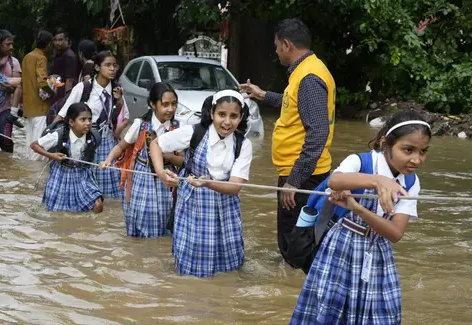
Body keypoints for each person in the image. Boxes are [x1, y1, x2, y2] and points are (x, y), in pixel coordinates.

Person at [288, 110, 431, 325]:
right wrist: (379, 181)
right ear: (386, 145)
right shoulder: (361, 162)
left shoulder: (411, 182)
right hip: (341, 246)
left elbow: (395, 233)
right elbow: (335, 180)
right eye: (408, 149)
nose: (416, 159)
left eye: (423, 152)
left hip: (377, 253)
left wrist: (357, 206)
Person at [239, 18, 336, 267]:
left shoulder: (309, 78)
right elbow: (294, 103)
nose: (275, 51)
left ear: (286, 44)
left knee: (296, 248)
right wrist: (263, 95)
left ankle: (293, 297)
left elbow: (317, 134)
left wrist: (294, 181)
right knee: (298, 243)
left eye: (276, 46)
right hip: (302, 172)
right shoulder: (308, 72)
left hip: (303, 176)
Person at [149, 90, 253, 277]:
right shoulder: (194, 132)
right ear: (212, 113)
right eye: (222, 114)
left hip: (226, 205)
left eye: (234, 116)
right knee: (192, 262)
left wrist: (207, 184)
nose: (227, 122)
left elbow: (235, 186)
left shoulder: (243, 144)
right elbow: (156, 144)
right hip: (193, 203)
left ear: (241, 117)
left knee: (228, 264)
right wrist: (160, 172)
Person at [100, 82, 182, 238]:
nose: (170, 109)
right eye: (165, 104)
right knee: (143, 217)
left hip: (168, 178)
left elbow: (183, 160)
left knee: (167, 217)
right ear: (152, 104)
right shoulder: (140, 126)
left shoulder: (178, 128)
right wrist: (108, 160)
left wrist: (169, 157)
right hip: (142, 177)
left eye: (174, 104)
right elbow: (121, 147)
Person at [52, 50, 129, 199]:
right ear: (97, 68)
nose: (112, 69)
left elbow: (126, 117)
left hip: (107, 142)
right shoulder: (84, 88)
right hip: (85, 140)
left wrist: (118, 127)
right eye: (108, 65)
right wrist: (51, 131)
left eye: (115, 65)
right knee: (81, 181)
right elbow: (64, 113)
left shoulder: (116, 90)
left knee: (108, 184)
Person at [30, 102, 104, 213]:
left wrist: (102, 163)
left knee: (97, 203)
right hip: (61, 174)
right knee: (57, 211)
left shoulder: (94, 137)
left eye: (89, 119)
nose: (88, 123)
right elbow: (34, 145)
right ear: (71, 122)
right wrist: (51, 155)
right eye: (83, 119)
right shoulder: (59, 135)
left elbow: (94, 156)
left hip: (83, 175)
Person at [22, 30, 54, 160]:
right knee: (39, 143)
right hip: (40, 107)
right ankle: (35, 174)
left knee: (29, 141)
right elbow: (42, 82)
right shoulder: (41, 58)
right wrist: (53, 92)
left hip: (28, 106)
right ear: (49, 44)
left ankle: (30, 170)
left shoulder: (27, 57)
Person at [50, 28, 78, 103]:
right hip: (56, 92)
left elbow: (70, 80)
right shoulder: (57, 55)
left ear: (66, 40)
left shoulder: (69, 56)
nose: (57, 43)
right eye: (55, 40)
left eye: (60, 40)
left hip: (63, 95)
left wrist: (66, 100)